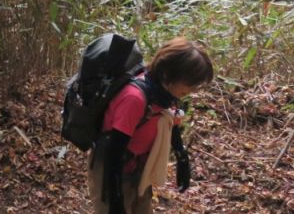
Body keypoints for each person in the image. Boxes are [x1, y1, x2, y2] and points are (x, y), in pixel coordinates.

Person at [89, 37, 214, 214]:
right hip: (112, 170)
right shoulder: (135, 99)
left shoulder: (164, 94)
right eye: (189, 85)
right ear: (168, 74)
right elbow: (114, 151)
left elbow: (170, 122)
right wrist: (115, 198)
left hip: (139, 166)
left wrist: (182, 158)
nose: (191, 91)